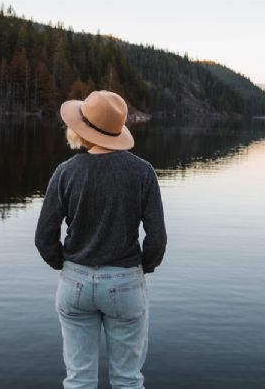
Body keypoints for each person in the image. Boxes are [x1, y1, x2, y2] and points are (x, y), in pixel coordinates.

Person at [35, 90, 167, 389]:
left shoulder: (65, 172)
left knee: (79, 379)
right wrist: (139, 268)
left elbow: (44, 237)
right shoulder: (143, 172)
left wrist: (66, 264)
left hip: (75, 282)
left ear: (81, 128)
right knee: (127, 380)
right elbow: (157, 239)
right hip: (125, 282)